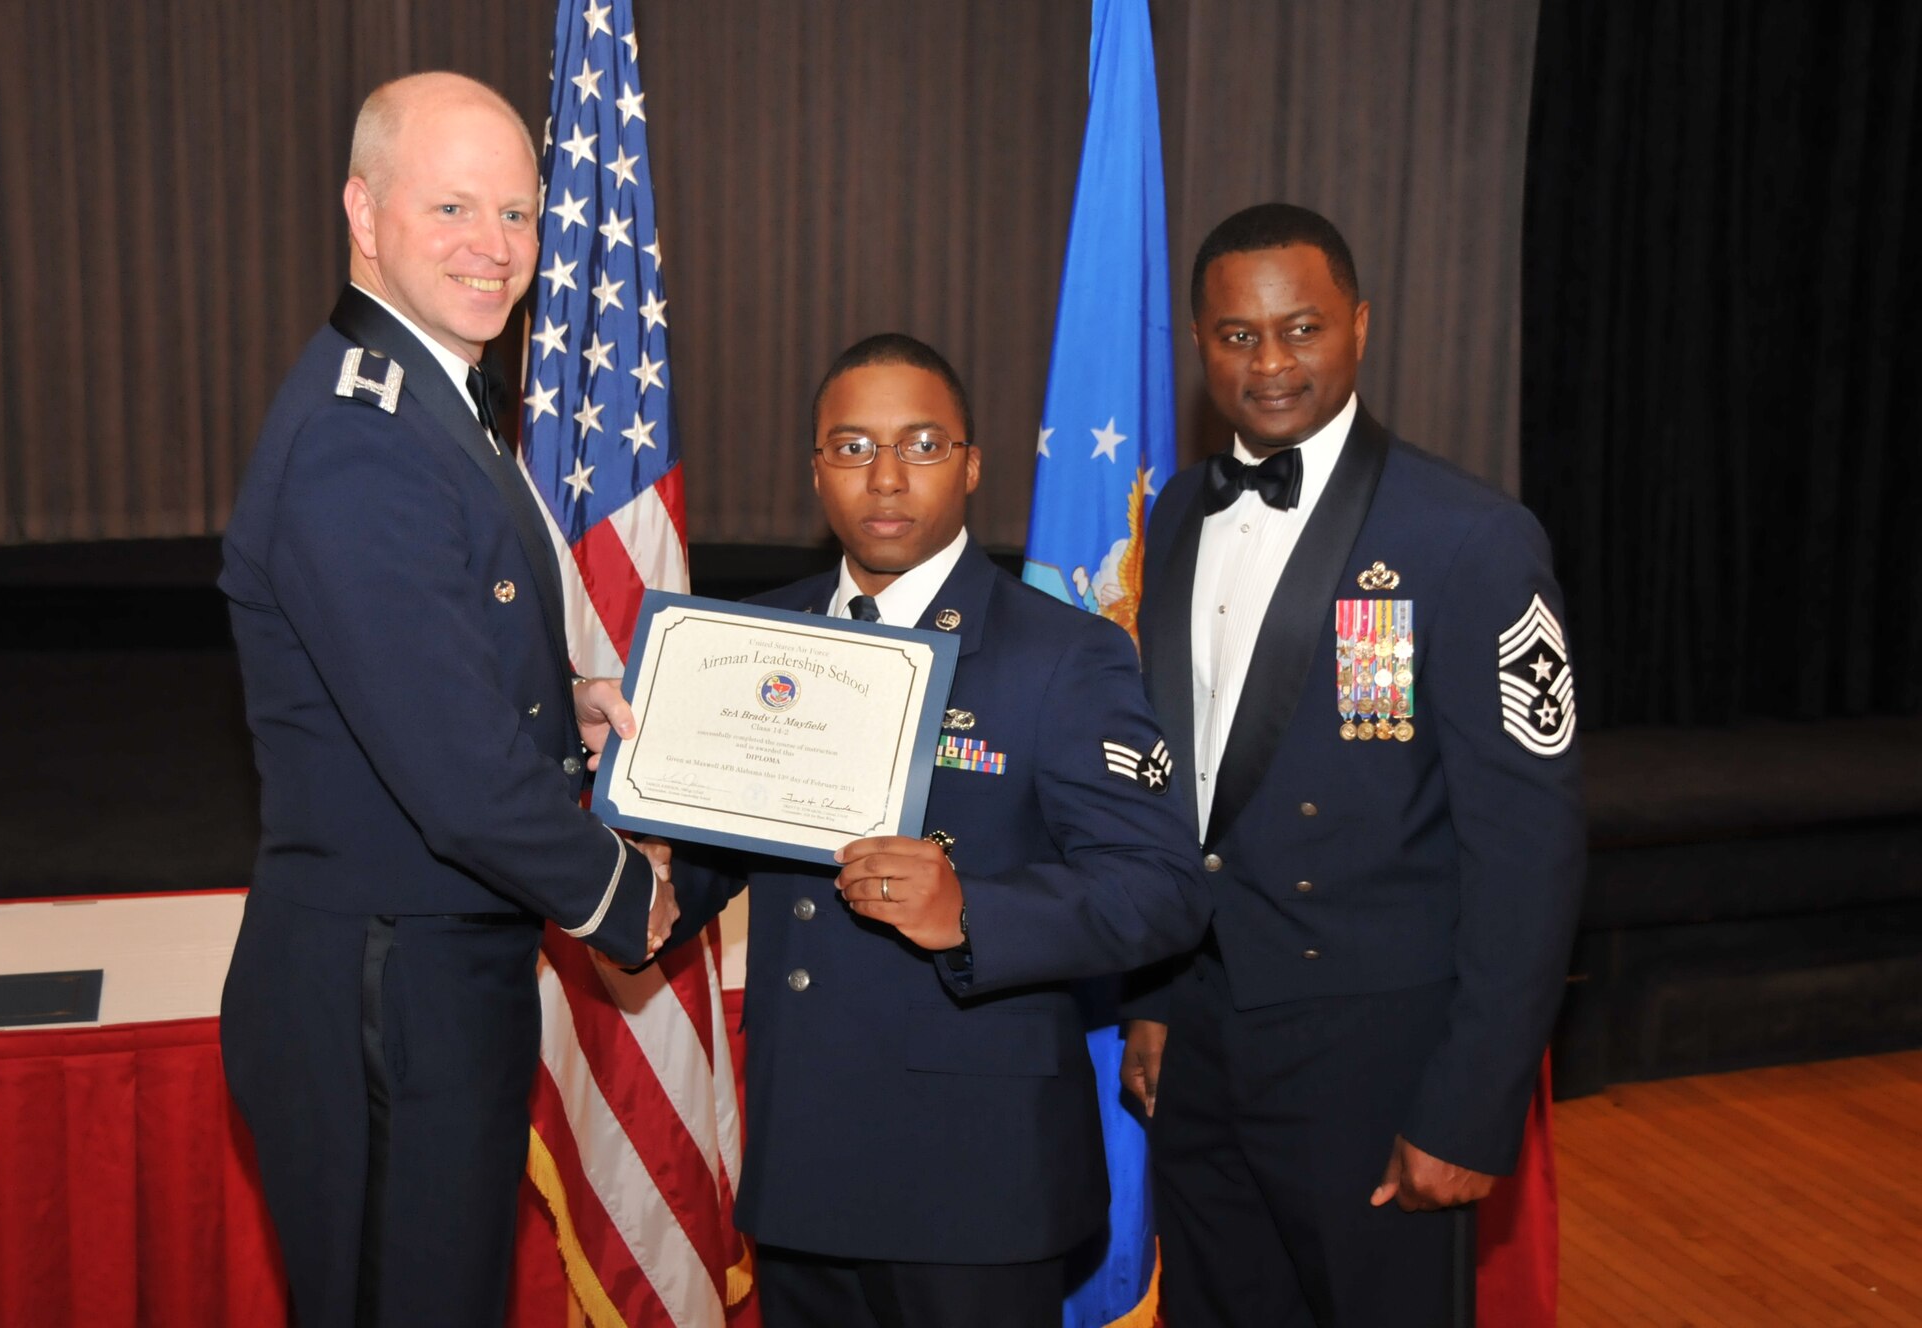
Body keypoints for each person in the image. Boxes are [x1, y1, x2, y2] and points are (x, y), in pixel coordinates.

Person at [217, 72, 675, 1327]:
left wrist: (563, 696)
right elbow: (456, 774)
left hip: (422, 976)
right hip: (383, 995)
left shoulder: (425, 395)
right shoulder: (364, 431)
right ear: (363, 212)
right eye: (453, 207)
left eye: (518, 214)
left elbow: (438, 663)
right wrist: (628, 892)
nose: (495, 247)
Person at [662, 334, 1210, 1328]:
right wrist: (629, 806)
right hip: (804, 1164)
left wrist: (973, 914)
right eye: (850, 446)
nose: (883, 476)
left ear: (968, 465)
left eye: (918, 444)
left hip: (975, 1181)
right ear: (814, 469)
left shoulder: (1061, 654)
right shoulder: (752, 641)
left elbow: (1162, 887)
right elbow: (688, 873)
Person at [1118, 203, 1586, 1327]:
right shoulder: (1177, 509)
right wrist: (1157, 999)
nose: (1269, 362)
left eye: (1301, 328)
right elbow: (1181, 785)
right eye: (1236, 334)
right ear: (1197, 343)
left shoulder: (1469, 536)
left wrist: (1470, 1106)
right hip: (1206, 1037)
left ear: (1360, 327)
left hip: (1374, 1050)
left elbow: (1528, 847)